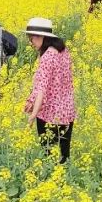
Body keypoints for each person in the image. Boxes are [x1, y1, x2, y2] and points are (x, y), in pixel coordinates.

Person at [23, 17, 76, 165]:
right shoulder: (64, 51)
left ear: (41, 37)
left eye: (31, 38)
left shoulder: (47, 57)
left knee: (48, 157)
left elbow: (42, 88)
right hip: (67, 112)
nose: (31, 42)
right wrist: (31, 100)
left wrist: (33, 115)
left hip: (49, 115)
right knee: (64, 157)